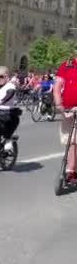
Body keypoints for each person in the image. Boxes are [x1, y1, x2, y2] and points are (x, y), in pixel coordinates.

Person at [54, 54, 77, 183]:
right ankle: (70, 170)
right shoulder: (68, 64)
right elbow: (57, 86)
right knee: (71, 140)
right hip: (68, 109)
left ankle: (71, 169)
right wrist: (58, 104)